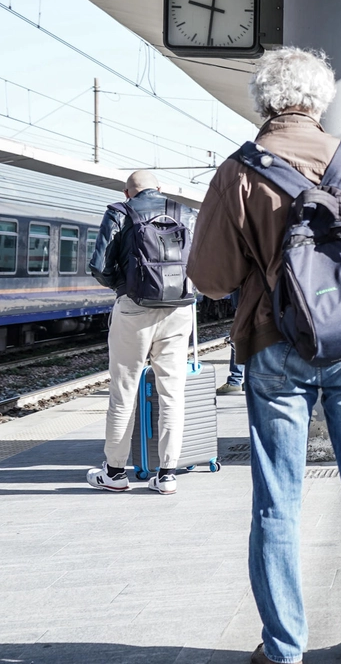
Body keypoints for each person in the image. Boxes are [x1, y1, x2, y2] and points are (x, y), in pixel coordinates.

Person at [187, 47, 341, 664]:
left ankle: (283, 646)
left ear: (263, 102)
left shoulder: (237, 172)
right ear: (320, 101)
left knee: (277, 498)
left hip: (275, 344)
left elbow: (209, 275)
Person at [85, 170, 196, 495]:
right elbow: (201, 260)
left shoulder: (120, 212)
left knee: (123, 391)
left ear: (127, 192)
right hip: (178, 309)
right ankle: (167, 475)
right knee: (172, 393)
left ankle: (115, 473)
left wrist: (124, 287)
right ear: (159, 189)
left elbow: (100, 266)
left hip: (133, 308)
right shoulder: (185, 212)